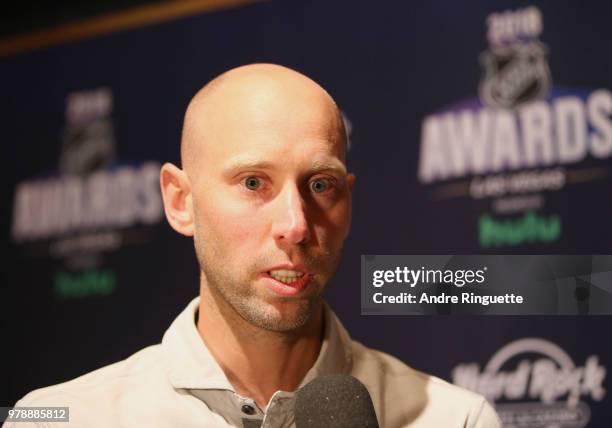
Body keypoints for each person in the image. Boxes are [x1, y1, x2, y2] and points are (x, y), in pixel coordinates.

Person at [6, 64, 501, 427]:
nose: (296, 225)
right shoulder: (60, 421)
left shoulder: (456, 421)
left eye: (321, 185)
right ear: (181, 202)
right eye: (252, 183)